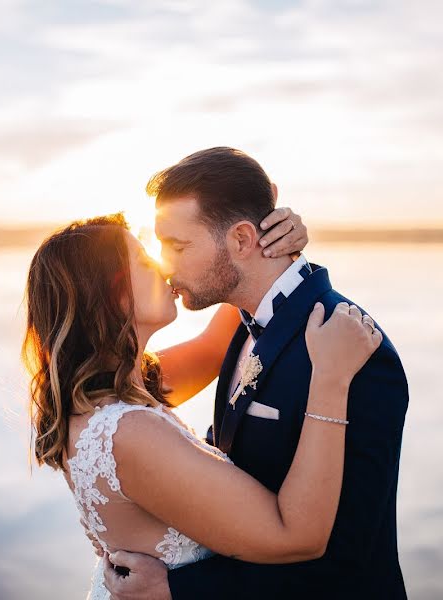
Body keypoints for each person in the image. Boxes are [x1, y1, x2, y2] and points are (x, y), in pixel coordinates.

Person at [22, 211, 382, 600]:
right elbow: (295, 536)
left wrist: (266, 243)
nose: (164, 267)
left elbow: (213, 349)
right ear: (112, 295)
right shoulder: (129, 433)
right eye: (145, 262)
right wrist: (331, 378)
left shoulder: (113, 390)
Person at [103, 147, 410, 600]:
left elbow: (347, 558)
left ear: (243, 241)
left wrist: (179, 589)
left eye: (178, 246)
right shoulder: (239, 326)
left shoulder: (352, 351)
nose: (165, 264)